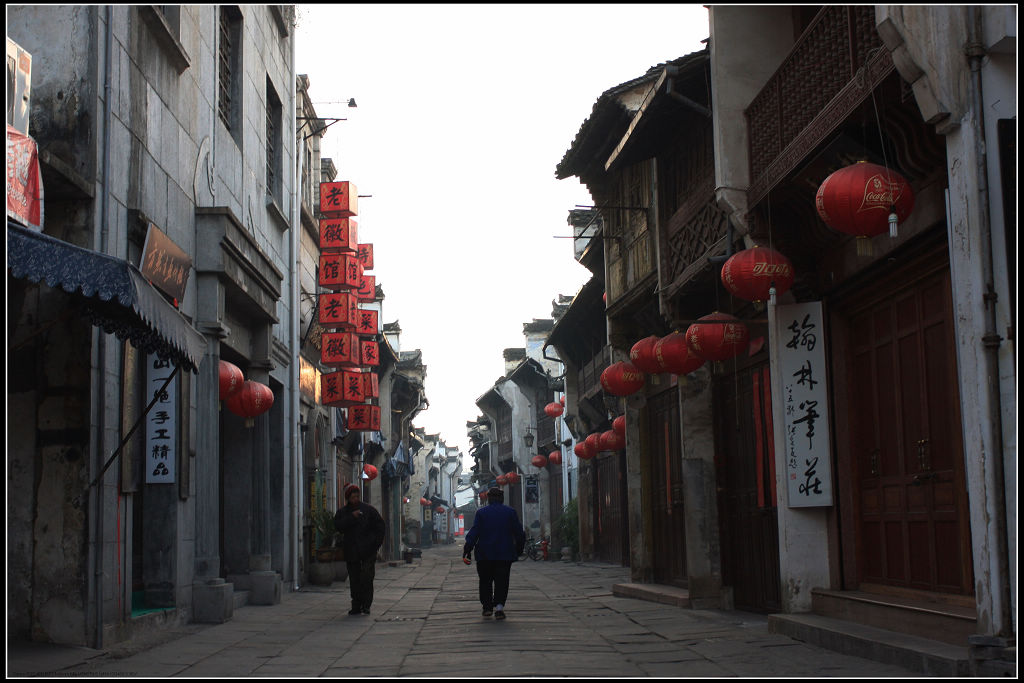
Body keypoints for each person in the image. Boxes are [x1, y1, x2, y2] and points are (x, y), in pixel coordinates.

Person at [463, 487, 526, 620]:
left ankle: (487, 607)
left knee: (485, 581)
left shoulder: (481, 513)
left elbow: (474, 532)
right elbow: (519, 533)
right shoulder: (510, 512)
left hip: (484, 555)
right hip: (504, 554)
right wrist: (519, 549)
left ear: (489, 499)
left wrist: (467, 549)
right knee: (502, 581)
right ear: (502, 499)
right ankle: (499, 608)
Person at [335, 483, 385, 615]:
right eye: (352, 497)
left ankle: (366, 605)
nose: (355, 499)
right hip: (352, 551)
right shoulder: (343, 512)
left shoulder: (369, 510)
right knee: (354, 579)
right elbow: (338, 526)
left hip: (368, 550)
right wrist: (352, 517)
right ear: (348, 498)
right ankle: (356, 605)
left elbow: (380, 526)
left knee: (367, 577)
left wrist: (376, 544)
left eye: (357, 496)